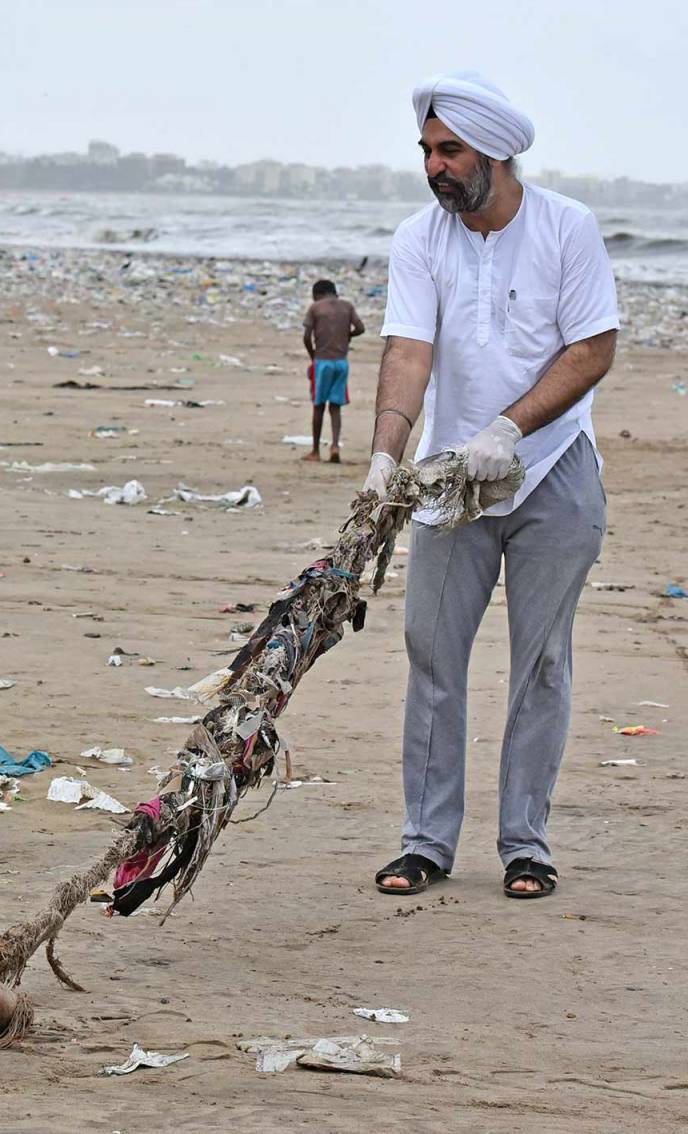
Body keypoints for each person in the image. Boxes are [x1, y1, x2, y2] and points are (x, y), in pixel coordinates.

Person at [366, 71, 619, 901]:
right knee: (433, 656)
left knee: (541, 663)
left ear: (497, 153)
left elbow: (591, 350)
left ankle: (526, 845)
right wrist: (385, 457)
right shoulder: (420, 238)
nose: (435, 167)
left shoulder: (566, 228)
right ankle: (426, 843)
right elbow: (408, 351)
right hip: (450, 483)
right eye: (427, 152)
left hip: (554, 471)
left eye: (450, 151)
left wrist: (509, 429)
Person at [300, 279, 364, 462]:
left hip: (323, 362)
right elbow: (360, 328)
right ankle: (335, 446)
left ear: (317, 294)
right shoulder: (347, 306)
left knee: (318, 406)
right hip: (341, 363)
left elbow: (306, 336)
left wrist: (313, 355)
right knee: (335, 407)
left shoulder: (315, 307)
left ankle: (315, 451)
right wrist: (347, 337)